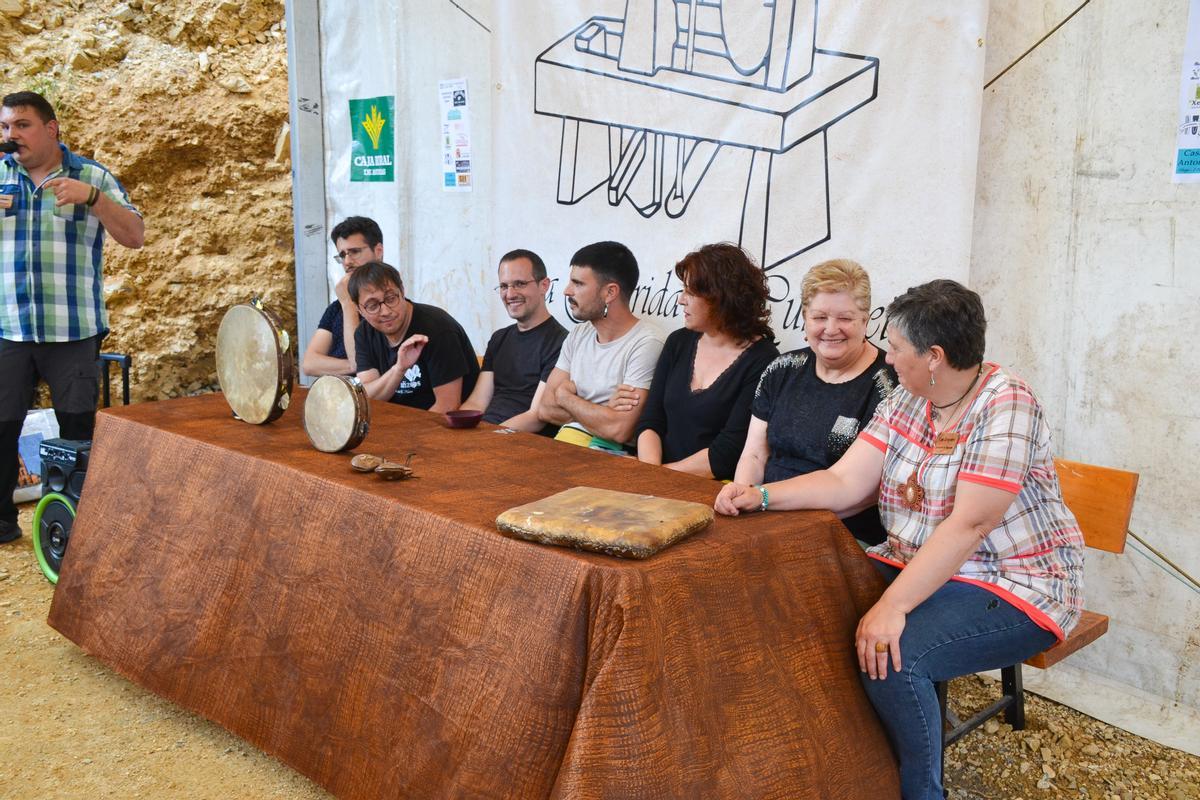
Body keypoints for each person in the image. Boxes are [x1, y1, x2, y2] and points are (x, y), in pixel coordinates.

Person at [715, 279, 1085, 800]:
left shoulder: (1006, 404)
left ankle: (921, 792)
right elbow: (846, 483)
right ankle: (833, 772)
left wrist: (892, 605)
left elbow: (969, 526)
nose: (885, 355)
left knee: (895, 656)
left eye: (895, 347)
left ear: (934, 356)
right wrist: (764, 496)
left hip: (1017, 583)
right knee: (800, 600)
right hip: (924, 565)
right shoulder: (910, 399)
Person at [0, 91, 144, 544]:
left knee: (78, 430)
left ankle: (81, 524)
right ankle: (3, 521)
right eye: (5, 127)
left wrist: (94, 198)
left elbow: (134, 235)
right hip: (8, 329)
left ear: (51, 128)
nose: (11, 136)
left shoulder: (89, 175)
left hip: (73, 331)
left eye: (21, 125)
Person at [729, 259, 895, 545]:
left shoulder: (888, 385)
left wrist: (766, 504)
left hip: (843, 534)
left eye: (845, 318)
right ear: (804, 316)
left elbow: (864, 493)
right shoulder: (780, 369)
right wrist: (741, 501)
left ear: (866, 321)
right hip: (764, 514)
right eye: (820, 317)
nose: (831, 329)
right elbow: (754, 454)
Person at [634, 243, 778, 479]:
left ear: (720, 298)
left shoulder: (763, 360)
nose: (681, 300)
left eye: (690, 292)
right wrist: (649, 473)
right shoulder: (678, 342)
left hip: (716, 487)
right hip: (656, 475)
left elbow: (728, 452)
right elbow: (651, 419)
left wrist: (658, 476)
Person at [538, 241, 663, 451]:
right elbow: (545, 408)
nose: (567, 291)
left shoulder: (647, 342)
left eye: (578, 283)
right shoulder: (578, 334)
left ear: (610, 293)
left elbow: (619, 429)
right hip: (565, 446)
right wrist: (604, 412)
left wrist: (565, 397)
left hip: (609, 459)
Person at [349, 261, 479, 413]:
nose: (385, 311)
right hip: (396, 423)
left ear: (402, 291)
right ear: (359, 309)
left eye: (391, 298)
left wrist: (407, 435)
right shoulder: (364, 332)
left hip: (441, 427)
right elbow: (368, 396)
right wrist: (399, 369)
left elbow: (448, 406)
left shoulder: (438, 329)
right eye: (372, 306)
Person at [460, 249, 567, 432]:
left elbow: (536, 417)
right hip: (485, 434)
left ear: (544, 285)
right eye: (504, 286)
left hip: (521, 443)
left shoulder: (562, 342)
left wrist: (485, 438)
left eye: (519, 284)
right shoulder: (499, 338)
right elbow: (477, 402)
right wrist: (453, 432)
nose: (510, 294)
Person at [301, 216, 383, 377]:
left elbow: (359, 360)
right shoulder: (336, 307)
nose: (347, 261)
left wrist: (349, 304)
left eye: (354, 252)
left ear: (378, 251)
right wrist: (351, 366)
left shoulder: (387, 304)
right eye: (342, 255)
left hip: (369, 397)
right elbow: (309, 364)